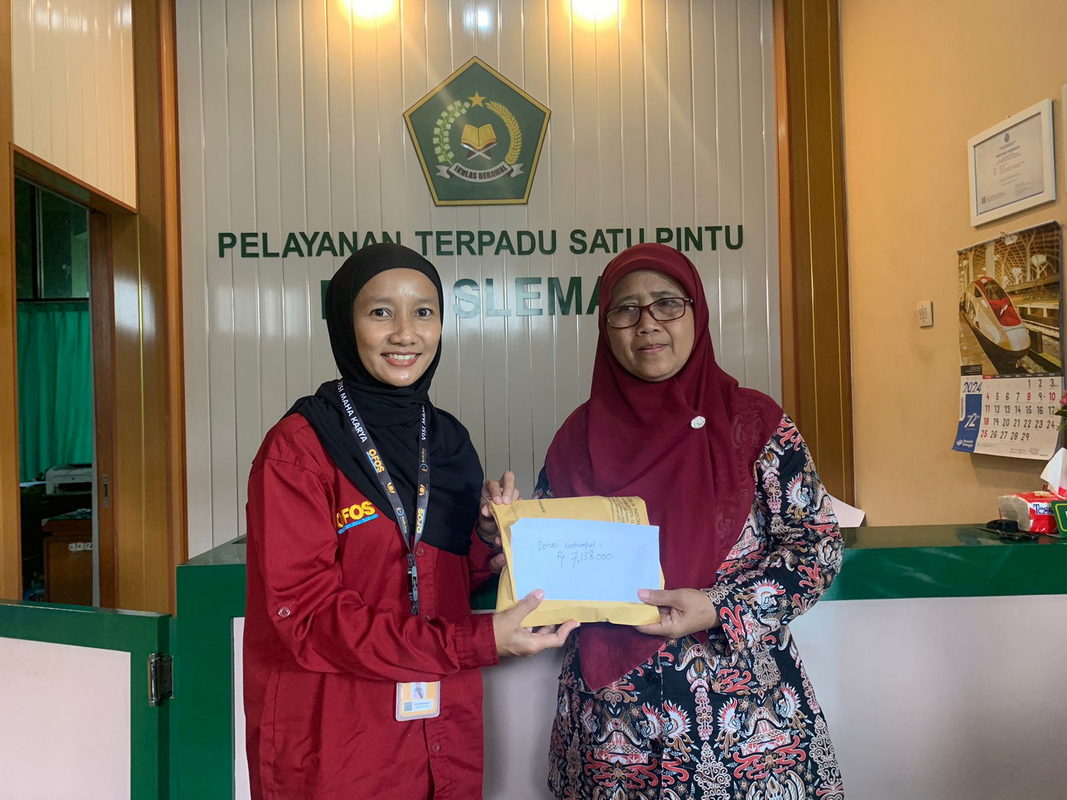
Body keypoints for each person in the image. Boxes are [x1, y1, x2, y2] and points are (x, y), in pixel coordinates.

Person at [243, 243, 576, 800]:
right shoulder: (299, 450)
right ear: (345, 324)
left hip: (441, 732)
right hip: (338, 738)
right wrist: (475, 642)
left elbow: (440, 573)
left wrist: (485, 540)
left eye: (424, 312)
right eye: (380, 312)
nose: (405, 333)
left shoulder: (446, 441)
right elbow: (309, 617)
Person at [536, 243, 845, 800]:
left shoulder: (755, 424)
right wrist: (503, 535)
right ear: (605, 327)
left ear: (696, 314)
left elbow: (815, 549)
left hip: (742, 722)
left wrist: (721, 608)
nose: (647, 323)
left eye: (666, 304)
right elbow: (548, 558)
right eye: (625, 309)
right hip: (612, 730)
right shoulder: (577, 438)